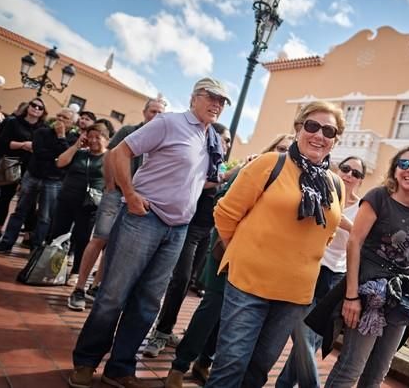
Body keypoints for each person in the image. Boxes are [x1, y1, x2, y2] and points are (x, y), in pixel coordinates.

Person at [167, 101, 346, 388]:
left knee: (259, 368)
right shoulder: (270, 164)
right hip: (249, 283)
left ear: (335, 139)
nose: (319, 135)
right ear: (299, 128)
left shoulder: (336, 185)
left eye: (329, 130)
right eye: (312, 126)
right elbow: (225, 215)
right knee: (231, 365)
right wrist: (244, 252)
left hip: (295, 294)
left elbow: (328, 233)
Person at [69, 77, 230, 388]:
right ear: (195, 96)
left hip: (178, 228)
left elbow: (202, 179)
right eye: (212, 97)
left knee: (147, 302)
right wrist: (129, 195)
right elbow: (119, 153)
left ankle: (120, 367)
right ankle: (86, 362)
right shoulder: (169, 123)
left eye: (222, 102)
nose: (217, 105)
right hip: (144, 218)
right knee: (113, 295)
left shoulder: (212, 138)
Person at [164, 133, 295, 388]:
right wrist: (232, 246)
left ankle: (204, 361)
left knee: (231, 317)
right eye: (280, 148)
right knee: (212, 308)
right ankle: (179, 366)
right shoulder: (253, 166)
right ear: (271, 147)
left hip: (258, 262)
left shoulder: (293, 180)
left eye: (290, 150)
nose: (284, 154)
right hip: (225, 250)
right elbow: (223, 206)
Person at [322, 147, 409, 388]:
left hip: (401, 297)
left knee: (379, 371)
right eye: (404, 164)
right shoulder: (379, 197)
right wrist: (351, 295)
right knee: (351, 367)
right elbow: (354, 242)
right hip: (370, 292)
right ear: (395, 169)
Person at [67, 97, 166, 311]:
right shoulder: (129, 130)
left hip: (139, 199)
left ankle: (96, 286)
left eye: (160, 113)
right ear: (144, 112)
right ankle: (79, 288)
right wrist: (111, 185)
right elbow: (110, 155)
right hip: (117, 194)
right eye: (153, 111)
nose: (156, 116)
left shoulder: (162, 138)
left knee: (115, 244)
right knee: (100, 238)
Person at [277, 156, 366, 388]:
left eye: (356, 173)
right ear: (338, 169)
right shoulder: (323, 191)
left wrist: (348, 225)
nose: (349, 175)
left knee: (312, 339)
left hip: (337, 277)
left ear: (361, 180)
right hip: (310, 268)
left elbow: (362, 239)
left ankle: (284, 385)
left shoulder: (362, 208)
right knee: (301, 333)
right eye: (346, 169)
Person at [143, 122, 231, 357]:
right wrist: (227, 177)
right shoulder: (204, 158)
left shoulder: (221, 164)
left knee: (189, 279)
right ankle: (159, 333)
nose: (228, 144)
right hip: (189, 227)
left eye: (230, 141)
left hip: (208, 231)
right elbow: (198, 182)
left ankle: (167, 329)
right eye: (225, 139)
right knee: (179, 279)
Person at [0, 108, 76, 254]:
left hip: (53, 181)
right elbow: (39, 152)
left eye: (65, 117)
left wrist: (61, 137)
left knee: (45, 217)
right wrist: (56, 157)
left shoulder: (73, 139)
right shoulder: (42, 132)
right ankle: (6, 243)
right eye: (59, 115)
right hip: (33, 175)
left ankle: (35, 249)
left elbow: (67, 158)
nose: (60, 119)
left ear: (72, 122)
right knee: (20, 211)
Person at [47, 123, 109, 304]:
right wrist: (75, 146)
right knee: (57, 234)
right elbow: (60, 162)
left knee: (82, 239)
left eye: (99, 137)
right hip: (67, 200)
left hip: (89, 205)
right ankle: (53, 269)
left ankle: (75, 272)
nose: (94, 140)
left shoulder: (109, 157)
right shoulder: (80, 153)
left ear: (106, 138)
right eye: (91, 136)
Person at [0, 98, 46, 244]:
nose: (36, 109)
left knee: (29, 203)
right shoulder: (12, 122)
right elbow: (2, 143)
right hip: (11, 164)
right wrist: (23, 145)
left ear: (43, 113)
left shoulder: (43, 129)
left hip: (32, 168)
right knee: (5, 197)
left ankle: (26, 235)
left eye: (40, 108)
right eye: (33, 105)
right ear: (27, 107)